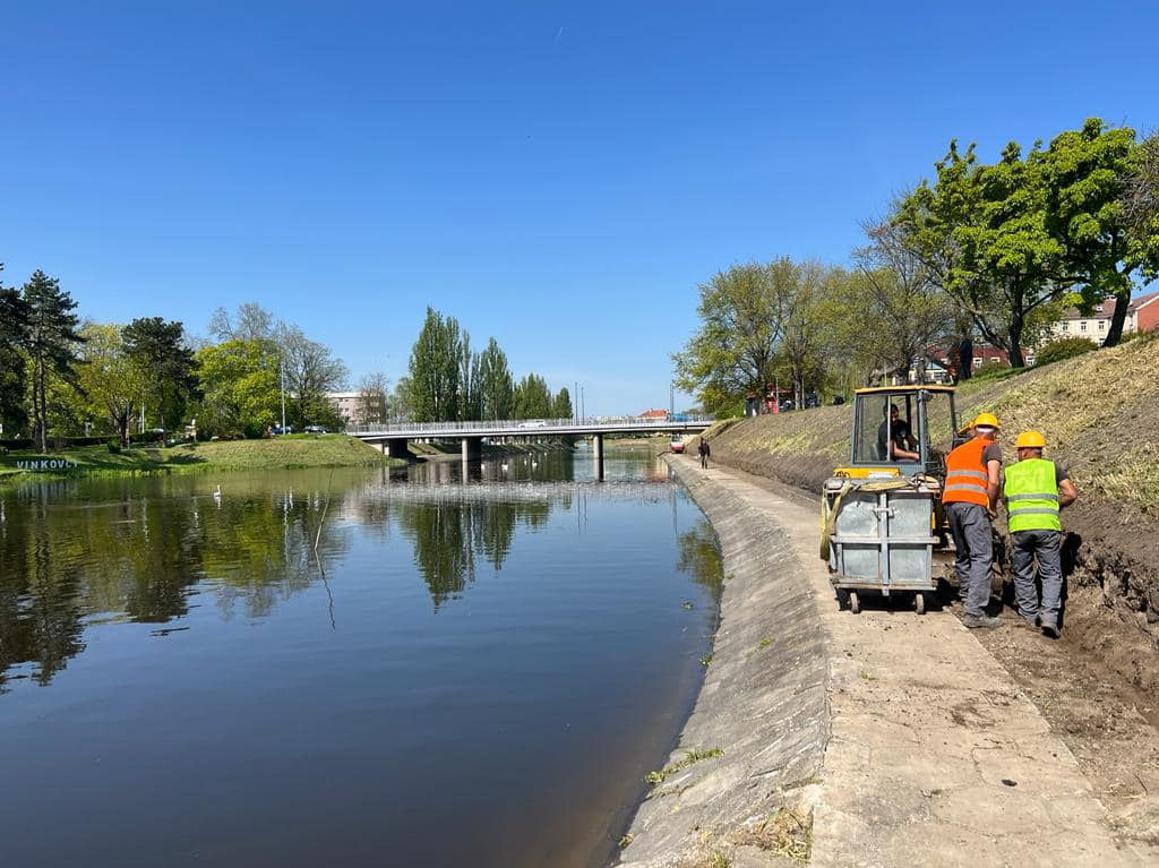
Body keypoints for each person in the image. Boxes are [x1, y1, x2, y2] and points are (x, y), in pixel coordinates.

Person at [1003, 431, 1078, 638]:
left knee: (1023, 573)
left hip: (1020, 528)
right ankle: (1049, 618)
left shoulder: (1011, 471)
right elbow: (1071, 493)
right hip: (1047, 526)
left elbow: (1004, 499)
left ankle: (1028, 617)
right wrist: (1055, 505)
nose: (1018, 453)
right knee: (1051, 573)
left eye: (1019, 450)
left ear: (1025, 451)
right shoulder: (1051, 468)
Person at [942, 412, 1003, 628]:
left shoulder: (957, 451)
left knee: (964, 553)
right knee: (982, 556)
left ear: (973, 430)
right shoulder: (990, 447)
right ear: (994, 432)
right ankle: (975, 613)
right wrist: (992, 506)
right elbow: (993, 481)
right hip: (973, 505)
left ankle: (968, 597)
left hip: (950, 504)